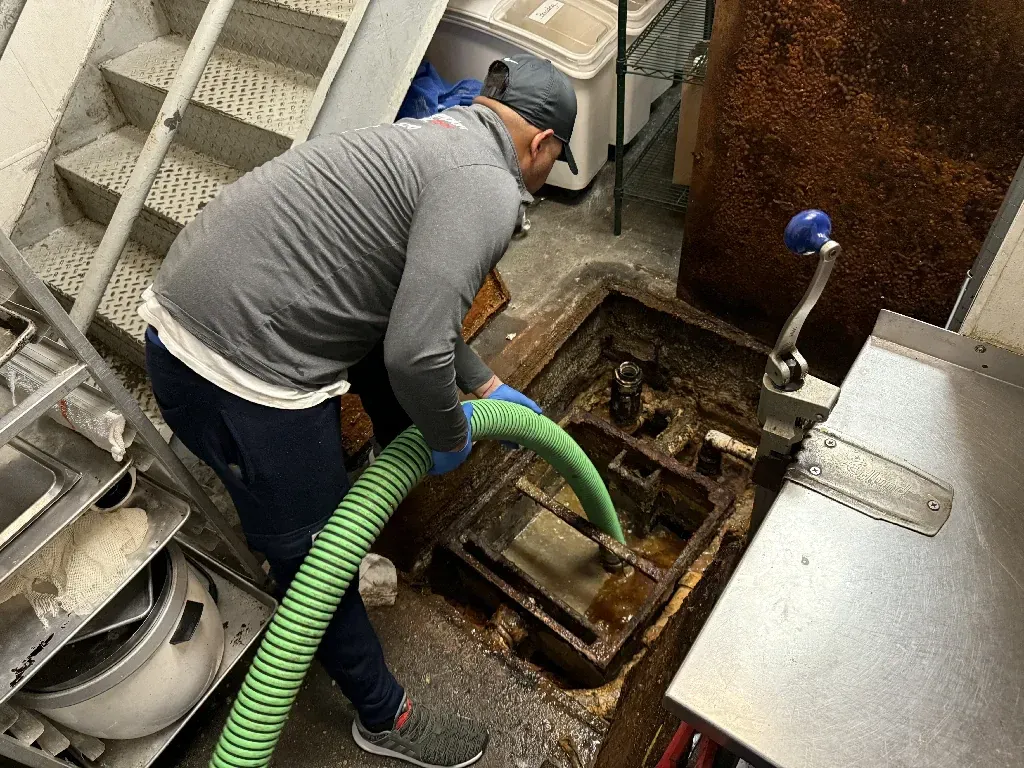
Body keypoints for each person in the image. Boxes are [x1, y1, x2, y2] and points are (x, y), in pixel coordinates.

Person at [139, 54, 577, 768]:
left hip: (190, 319)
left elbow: (411, 299)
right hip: (238, 373)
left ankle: (355, 499)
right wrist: (449, 428)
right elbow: (413, 354)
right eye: (553, 165)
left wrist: (488, 387)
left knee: (379, 403)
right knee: (313, 556)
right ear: (545, 146)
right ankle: (384, 715)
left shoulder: (436, 137)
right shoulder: (489, 189)